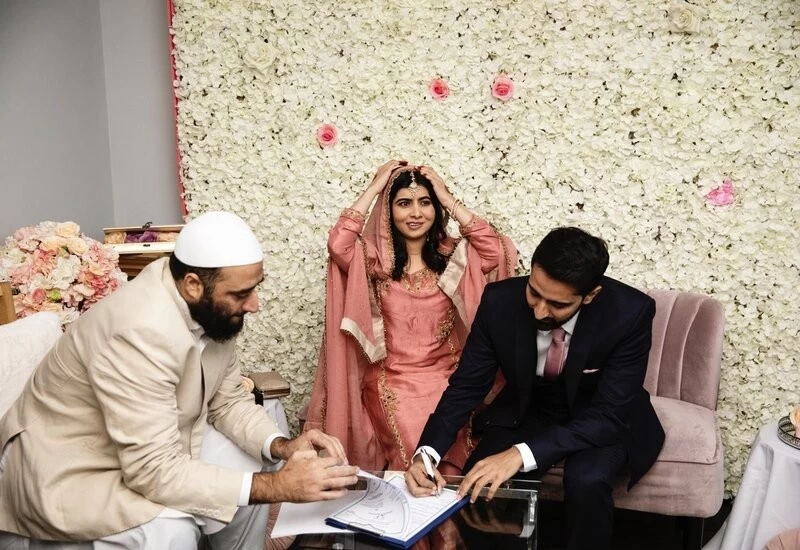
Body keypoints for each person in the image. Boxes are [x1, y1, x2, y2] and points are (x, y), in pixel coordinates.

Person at [0, 211, 358, 549]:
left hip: (147, 446)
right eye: (241, 294)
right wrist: (278, 485)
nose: (255, 305)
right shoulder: (137, 330)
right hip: (67, 466)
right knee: (171, 528)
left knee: (252, 460)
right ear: (192, 285)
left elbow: (228, 401)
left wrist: (283, 447)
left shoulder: (210, 308)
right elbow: (152, 470)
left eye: (255, 288)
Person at [405, 226, 665, 550]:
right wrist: (426, 454)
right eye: (534, 293)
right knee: (479, 481)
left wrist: (520, 454)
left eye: (557, 304)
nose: (539, 311)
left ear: (590, 296)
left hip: (599, 415)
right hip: (530, 408)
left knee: (587, 480)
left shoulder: (630, 313)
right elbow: (466, 386)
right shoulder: (499, 301)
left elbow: (609, 413)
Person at [304, 160, 517, 473]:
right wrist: (376, 187)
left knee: (452, 448)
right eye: (404, 203)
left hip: (448, 379)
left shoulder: (453, 259)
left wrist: (447, 197)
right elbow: (339, 244)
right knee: (416, 449)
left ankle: (449, 505)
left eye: (425, 203)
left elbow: (495, 249)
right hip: (393, 381)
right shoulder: (375, 264)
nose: (416, 213)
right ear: (388, 211)